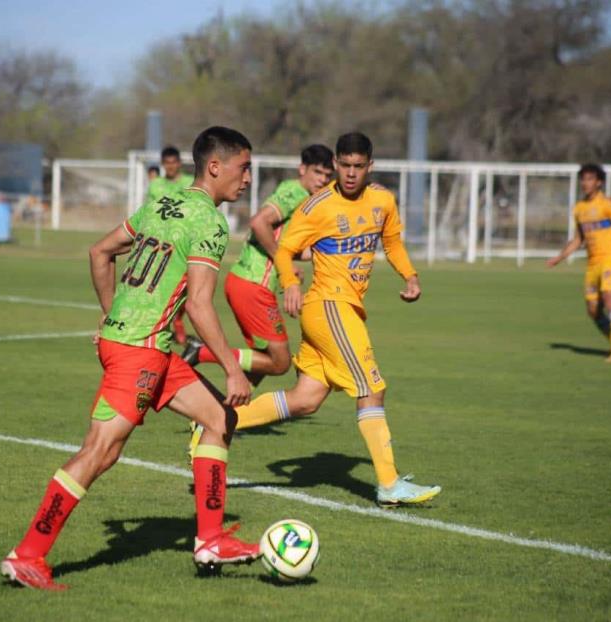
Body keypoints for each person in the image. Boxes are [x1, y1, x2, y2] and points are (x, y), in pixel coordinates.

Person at [1, 127, 259, 591]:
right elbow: (200, 306)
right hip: (141, 351)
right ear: (215, 167)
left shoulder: (161, 205)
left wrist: (110, 316)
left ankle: (211, 539)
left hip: (140, 344)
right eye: (243, 168)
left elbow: (100, 252)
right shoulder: (211, 224)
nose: (247, 179)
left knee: (219, 418)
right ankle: (27, 555)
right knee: (100, 451)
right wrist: (233, 366)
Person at [190, 132, 441, 507]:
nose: (351, 173)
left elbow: (392, 243)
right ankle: (389, 484)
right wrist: (290, 283)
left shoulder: (383, 201)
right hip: (328, 306)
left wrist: (410, 275)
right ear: (336, 164)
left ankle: (215, 421)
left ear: (370, 166)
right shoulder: (317, 205)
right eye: (344, 166)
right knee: (372, 388)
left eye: (359, 166)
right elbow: (287, 249)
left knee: (305, 400)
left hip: (346, 308)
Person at [182, 145, 334, 385]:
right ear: (302, 169)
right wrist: (281, 261)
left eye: (327, 175)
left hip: (249, 283)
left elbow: (286, 244)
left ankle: (225, 415)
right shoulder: (294, 193)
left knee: (265, 359)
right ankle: (201, 351)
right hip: (253, 284)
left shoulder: (303, 198)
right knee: (280, 362)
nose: (323, 180)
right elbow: (259, 222)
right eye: (318, 172)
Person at [547, 163, 611, 363]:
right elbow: (578, 239)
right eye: (583, 179)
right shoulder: (579, 208)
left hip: (610, 259)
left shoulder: (608, 204)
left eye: (590, 179)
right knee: (593, 310)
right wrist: (559, 258)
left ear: (599, 182)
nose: (585, 183)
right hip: (592, 264)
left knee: (610, 299)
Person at [146, 146, 195, 344]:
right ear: (163, 164)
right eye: (167, 163)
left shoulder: (189, 182)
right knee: (158, 285)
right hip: (161, 245)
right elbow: (153, 211)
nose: (171, 166)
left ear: (179, 163)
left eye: (174, 162)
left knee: (190, 286)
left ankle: (178, 317)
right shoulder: (155, 185)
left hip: (183, 243)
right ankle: (160, 326)